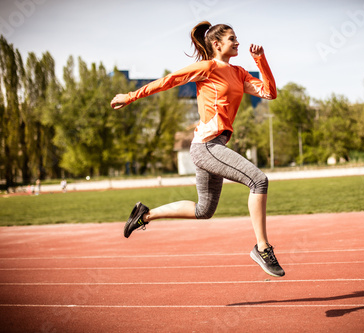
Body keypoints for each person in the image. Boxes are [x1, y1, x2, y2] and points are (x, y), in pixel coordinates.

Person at [110, 21, 284, 277]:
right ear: (217, 44)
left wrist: (261, 60)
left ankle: (144, 215)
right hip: (206, 146)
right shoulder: (207, 68)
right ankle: (262, 247)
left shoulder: (239, 73)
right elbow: (168, 81)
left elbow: (269, 93)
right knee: (258, 180)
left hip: (213, 147)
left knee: (204, 210)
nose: (237, 42)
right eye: (232, 39)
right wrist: (131, 96)